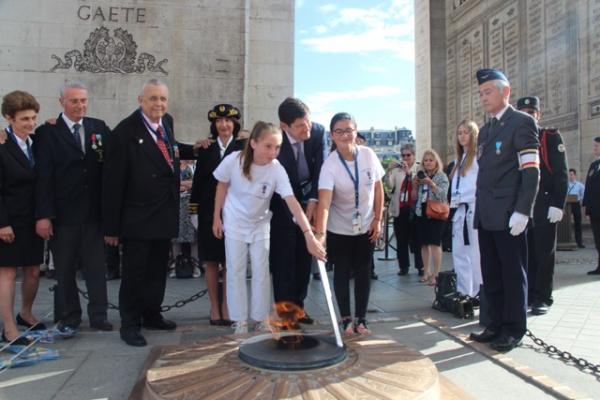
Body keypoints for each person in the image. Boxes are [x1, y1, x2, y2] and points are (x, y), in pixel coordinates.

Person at [102, 79, 196, 346]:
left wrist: (196, 149)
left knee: (157, 271)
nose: (159, 104)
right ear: (140, 100)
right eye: (153, 99)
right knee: (134, 273)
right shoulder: (124, 132)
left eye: (163, 99)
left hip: (163, 213)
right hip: (137, 217)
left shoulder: (166, 123)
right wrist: (111, 228)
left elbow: (170, 150)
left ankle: (152, 314)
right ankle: (130, 325)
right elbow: (112, 183)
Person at [212, 121, 325, 334]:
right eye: (268, 146)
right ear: (253, 143)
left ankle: (260, 318)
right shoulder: (234, 160)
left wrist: (308, 234)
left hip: (261, 223)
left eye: (278, 147)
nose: (273, 152)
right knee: (235, 271)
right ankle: (239, 321)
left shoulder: (276, 169)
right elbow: (222, 185)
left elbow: (291, 201)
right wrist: (216, 217)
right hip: (235, 221)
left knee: (262, 271)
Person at [469, 69, 539, 353]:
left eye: (488, 92)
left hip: (510, 215)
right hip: (487, 214)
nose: (483, 97)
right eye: (481, 93)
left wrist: (523, 211)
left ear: (505, 92)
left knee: (512, 273)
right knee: (492, 273)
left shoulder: (521, 122)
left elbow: (531, 171)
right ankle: (495, 323)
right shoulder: (486, 130)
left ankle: (513, 328)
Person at [34, 81, 112, 335]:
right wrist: (44, 215)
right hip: (63, 216)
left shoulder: (97, 127)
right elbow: (43, 177)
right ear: (62, 103)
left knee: (96, 267)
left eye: (83, 100)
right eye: (74, 101)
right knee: (65, 269)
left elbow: (121, 150)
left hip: (93, 214)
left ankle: (99, 315)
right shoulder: (47, 133)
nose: (80, 105)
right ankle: (69, 316)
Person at [315, 112, 384, 335]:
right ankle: (345, 319)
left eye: (349, 130)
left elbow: (377, 188)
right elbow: (324, 203)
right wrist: (321, 234)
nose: (345, 135)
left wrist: (378, 218)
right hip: (339, 228)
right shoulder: (330, 165)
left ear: (356, 131)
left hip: (365, 226)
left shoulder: (368, 155)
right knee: (342, 273)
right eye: (339, 131)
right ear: (332, 135)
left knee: (364, 272)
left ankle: (361, 319)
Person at [189, 104, 246, 326]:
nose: (224, 125)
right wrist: (194, 211)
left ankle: (228, 305)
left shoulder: (243, 148)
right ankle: (215, 306)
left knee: (231, 261)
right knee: (211, 261)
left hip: (235, 212)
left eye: (228, 121)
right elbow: (198, 183)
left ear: (235, 124)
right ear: (214, 125)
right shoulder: (206, 149)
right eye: (219, 121)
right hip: (208, 213)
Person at [269, 98, 324, 323]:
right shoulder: (276, 141)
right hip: (281, 204)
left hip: (308, 199)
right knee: (284, 260)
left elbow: (321, 166)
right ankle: (285, 313)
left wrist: (313, 199)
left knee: (303, 259)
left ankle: (299, 308)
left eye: (308, 122)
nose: (307, 128)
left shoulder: (318, 133)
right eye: (300, 126)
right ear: (285, 126)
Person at [0, 91, 45, 345]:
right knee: (7, 274)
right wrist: (2, 223)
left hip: (33, 219)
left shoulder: (37, 142)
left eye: (34, 118)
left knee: (33, 271)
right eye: (24, 119)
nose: (30, 123)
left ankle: (25, 314)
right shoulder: (2, 145)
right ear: (9, 118)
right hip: (9, 220)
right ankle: (8, 328)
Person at [517, 96, 568, 315]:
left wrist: (558, 204)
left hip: (544, 201)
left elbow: (560, 173)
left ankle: (543, 297)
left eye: (532, 112)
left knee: (544, 252)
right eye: (524, 112)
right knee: (526, 252)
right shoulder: (516, 137)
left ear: (538, 115)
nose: (528, 115)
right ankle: (528, 294)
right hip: (522, 204)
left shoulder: (549, 136)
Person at [449, 120, 482, 298]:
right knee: (459, 252)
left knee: (475, 252)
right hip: (459, 209)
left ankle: (477, 291)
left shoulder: (477, 157)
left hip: (473, 207)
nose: (462, 136)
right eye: (459, 133)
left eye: (465, 132)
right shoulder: (459, 159)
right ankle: (463, 290)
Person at [385, 144, 424, 276]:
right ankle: (404, 266)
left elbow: (419, 183)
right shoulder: (397, 170)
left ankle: (420, 266)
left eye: (408, 155)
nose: (406, 158)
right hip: (400, 208)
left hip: (414, 209)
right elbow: (390, 186)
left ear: (413, 155)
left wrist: (409, 172)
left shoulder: (419, 167)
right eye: (403, 155)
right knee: (401, 240)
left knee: (418, 239)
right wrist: (388, 171)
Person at [412, 149, 449, 286]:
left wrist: (431, 184)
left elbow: (443, 195)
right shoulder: (421, 176)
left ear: (436, 162)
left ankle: (436, 273)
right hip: (421, 211)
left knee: (434, 243)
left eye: (430, 160)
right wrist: (415, 185)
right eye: (425, 160)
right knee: (424, 243)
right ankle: (426, 271)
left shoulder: (441, 176)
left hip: (436, 212)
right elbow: (414, 197)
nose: (428, 163)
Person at [583, 137, 600, 275]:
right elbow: (588, 187)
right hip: (595, 210)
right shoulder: (594, 165)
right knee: (598, 238)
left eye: (596, 146)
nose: (594, 148)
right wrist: (587, 208)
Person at [568, 169, 585, 248]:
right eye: (569, 174)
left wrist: (579, 200)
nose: (570, 176)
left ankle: (579, 242)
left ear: (575, 175)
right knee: (564, 223)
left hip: (576, 204)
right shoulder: (566, 184)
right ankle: (565, 240)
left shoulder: (579, 185)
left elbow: (583, 195)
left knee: (578, 223)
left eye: (571, 174)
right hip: (567, 205)